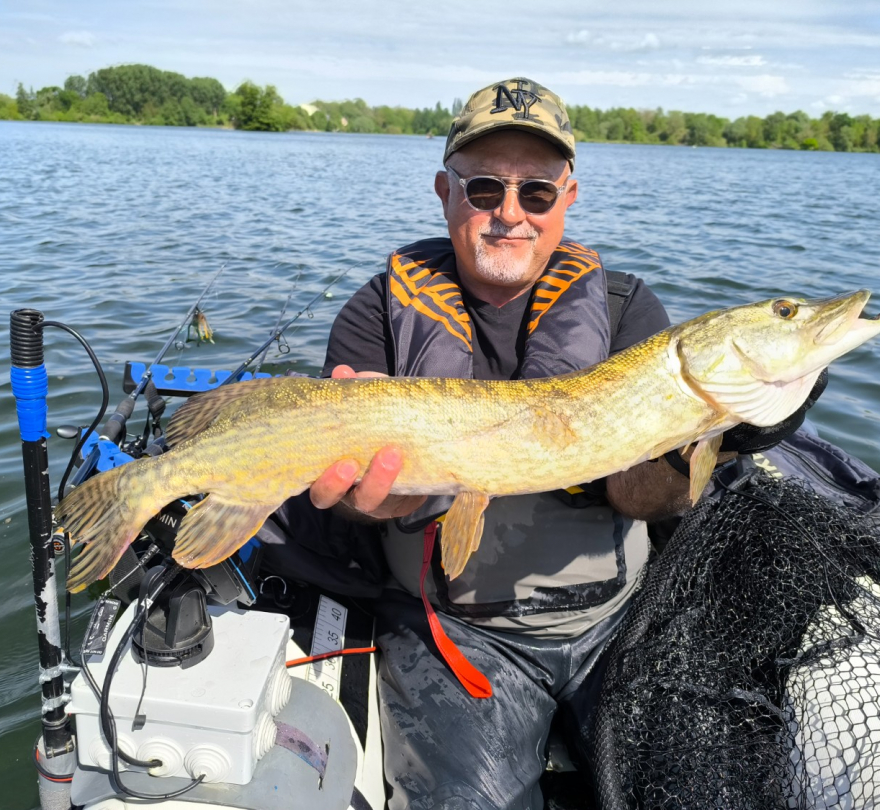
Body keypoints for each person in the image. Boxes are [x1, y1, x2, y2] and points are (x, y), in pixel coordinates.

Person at [301, 77, 821, 810]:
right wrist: (371, 502)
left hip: (616, 621)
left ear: (567, 197)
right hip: (454, 633)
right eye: (484, 189)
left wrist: (731, 437)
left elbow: (638, 494)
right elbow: (349, 499)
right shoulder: (377, 313)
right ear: (445, 193)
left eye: (537, 192)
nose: (510, 214)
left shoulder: (626, 308)